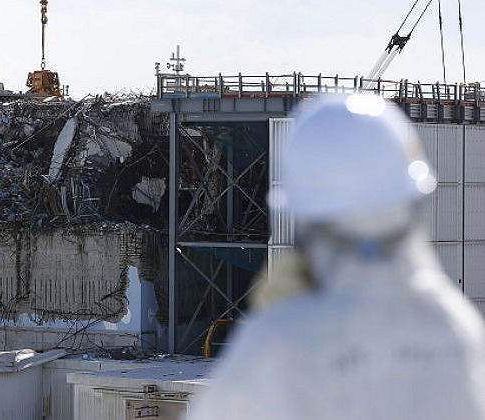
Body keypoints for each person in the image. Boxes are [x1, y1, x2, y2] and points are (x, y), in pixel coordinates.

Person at [188, 94, 485, 420]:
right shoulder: (456, 327)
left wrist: (273, 319)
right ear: (412, 202)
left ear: (304, 215)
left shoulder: (278, 343)